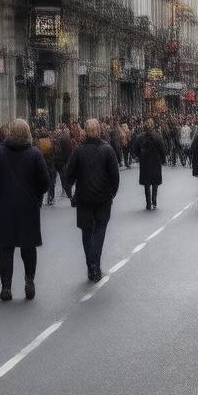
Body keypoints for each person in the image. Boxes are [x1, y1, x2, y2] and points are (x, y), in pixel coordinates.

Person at [0, 119, 49, 302]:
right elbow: (45, 182)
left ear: (10, 132)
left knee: (6, 248)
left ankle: (6, 287)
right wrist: (36, 196)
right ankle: (29, 281)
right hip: (28, 207)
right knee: (28, 247)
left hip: (5, 207)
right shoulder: (35, 154)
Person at [65, 118, 120, 282]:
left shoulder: (78, 151)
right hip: (102, 198)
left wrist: (74, 188)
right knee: (100, 230)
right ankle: (95, 265)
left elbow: (69, 175)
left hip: (84, 198)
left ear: (85, 132)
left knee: (87, 232)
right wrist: (111, 193)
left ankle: (91, 266)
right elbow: (115, 177)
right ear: (99, 131)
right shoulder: (107, 150)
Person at [133, 119, 166, 210]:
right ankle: (154, 201)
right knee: (155, 183)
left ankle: (148, 203)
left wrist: (140, 156)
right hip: (155, 162)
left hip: (145, 163)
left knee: (147, 184)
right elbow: (162, 150)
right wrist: (163, 160)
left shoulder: (140, 138)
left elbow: (135, 150)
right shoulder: (158, 137)